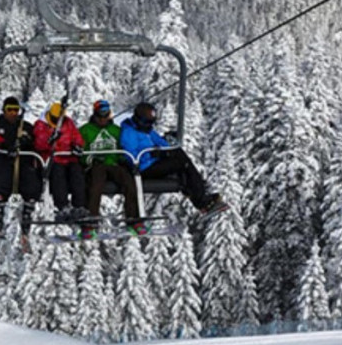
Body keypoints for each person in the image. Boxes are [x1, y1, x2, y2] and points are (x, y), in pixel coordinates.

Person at [119, 102, 224, 233]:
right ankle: (201, 199)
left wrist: (164, 148)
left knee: (179, 157)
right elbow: (131, 156)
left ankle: (200, 196)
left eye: (151, 122)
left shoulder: (147, 130)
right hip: (144, 168)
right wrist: (152, 153)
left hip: (154, 162)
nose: (149, 125)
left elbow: (161, 143)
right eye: (147, 122)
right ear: (139, 119)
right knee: (181, 163)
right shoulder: (129, 132)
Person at [0, 96, 43, 248]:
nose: (13, 113)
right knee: (2, 179)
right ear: (4, 110)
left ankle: (27, 217)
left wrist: (26, 142)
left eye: (15, 110)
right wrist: (5, 145)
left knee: (31, 180)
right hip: (3, 158)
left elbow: (37, 141)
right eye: (10, 109)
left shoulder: (25, 127)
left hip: (23, 160)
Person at [78, 100, 139, 240]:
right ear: (95, 115)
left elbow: (123, 147)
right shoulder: (85, 130)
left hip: (113, 163)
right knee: (95, 186)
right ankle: (90, 223)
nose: (104, 119)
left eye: (107, 115)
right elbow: (79, 151)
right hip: (96, 165)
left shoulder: (116, 131)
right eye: (101, 116)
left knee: (129, 182)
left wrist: (124, 159)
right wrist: (89, 160)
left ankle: (133, 219)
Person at [33, 100, 86, 220]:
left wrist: (77, 146)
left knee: (77, 172)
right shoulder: (42, 124)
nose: (57, 122)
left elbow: (76, 137)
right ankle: (62, 206)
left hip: (68, 157)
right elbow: (38, 143)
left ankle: (79, 205)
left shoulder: (68, 123)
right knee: (58, 175)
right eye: (55, 118)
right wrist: (49, 141)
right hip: (52, 159)